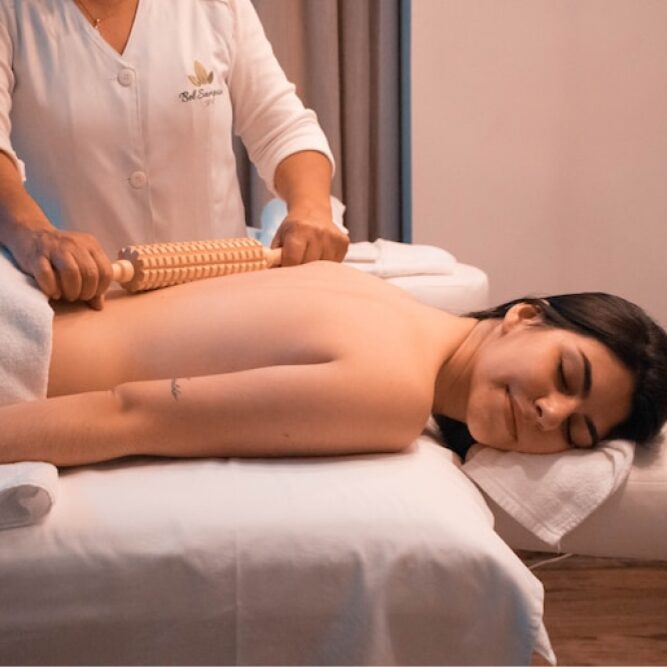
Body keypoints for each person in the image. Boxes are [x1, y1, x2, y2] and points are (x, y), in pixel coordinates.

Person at [1, 260, 666, 467]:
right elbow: (129, 415)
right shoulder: (393, 393)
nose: (550, 412)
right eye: (566, 375)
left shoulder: (372, 293)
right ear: (523, 315)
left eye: (576, 430)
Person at [0, 0, 348, 309]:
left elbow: (282, 127)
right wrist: (34, 236)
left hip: (225, 301)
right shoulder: (12, 13)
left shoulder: (216, 7)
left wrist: (312, 209)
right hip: (87, 308)